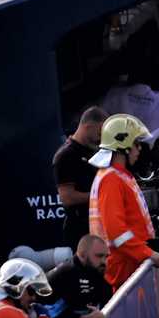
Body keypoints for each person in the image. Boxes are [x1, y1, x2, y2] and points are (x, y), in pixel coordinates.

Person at [88, 115, 159, 283]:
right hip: (125, 268)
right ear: (124, 147)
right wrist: (147, 253)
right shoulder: (112, 180)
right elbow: (117, 232)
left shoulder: (116, 176)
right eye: (136, 144)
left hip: (129, 264)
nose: (139, 149)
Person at [44, 235, 113, 318]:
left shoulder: (97, 272)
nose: (103, 261)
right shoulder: (64, 275)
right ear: (82, 254)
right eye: (99, 256)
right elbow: (43, 313)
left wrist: (101, 314)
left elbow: (105, 301)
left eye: (106, 256)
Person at [52, 107, 106, 254]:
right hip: (79, 229)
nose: (101, 137)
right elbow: (67, 197)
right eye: (99, 132)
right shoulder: (65, 156)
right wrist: (99, 195)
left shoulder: (95, 151)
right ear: (88, 126)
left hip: (97, 224)